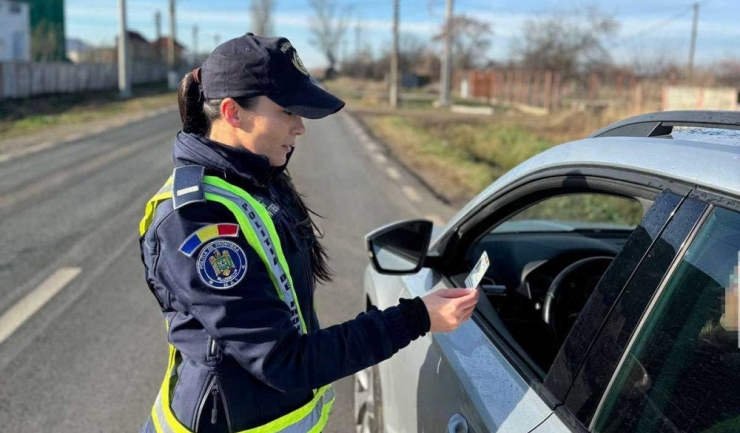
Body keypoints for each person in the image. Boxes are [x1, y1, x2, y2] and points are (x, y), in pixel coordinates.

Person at [138, 33, 480, 433]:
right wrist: (417, 317)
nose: (300, 128)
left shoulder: (255, 177)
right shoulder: (197, 220)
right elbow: (283, 360)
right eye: (287, 111)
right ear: (232, 112)